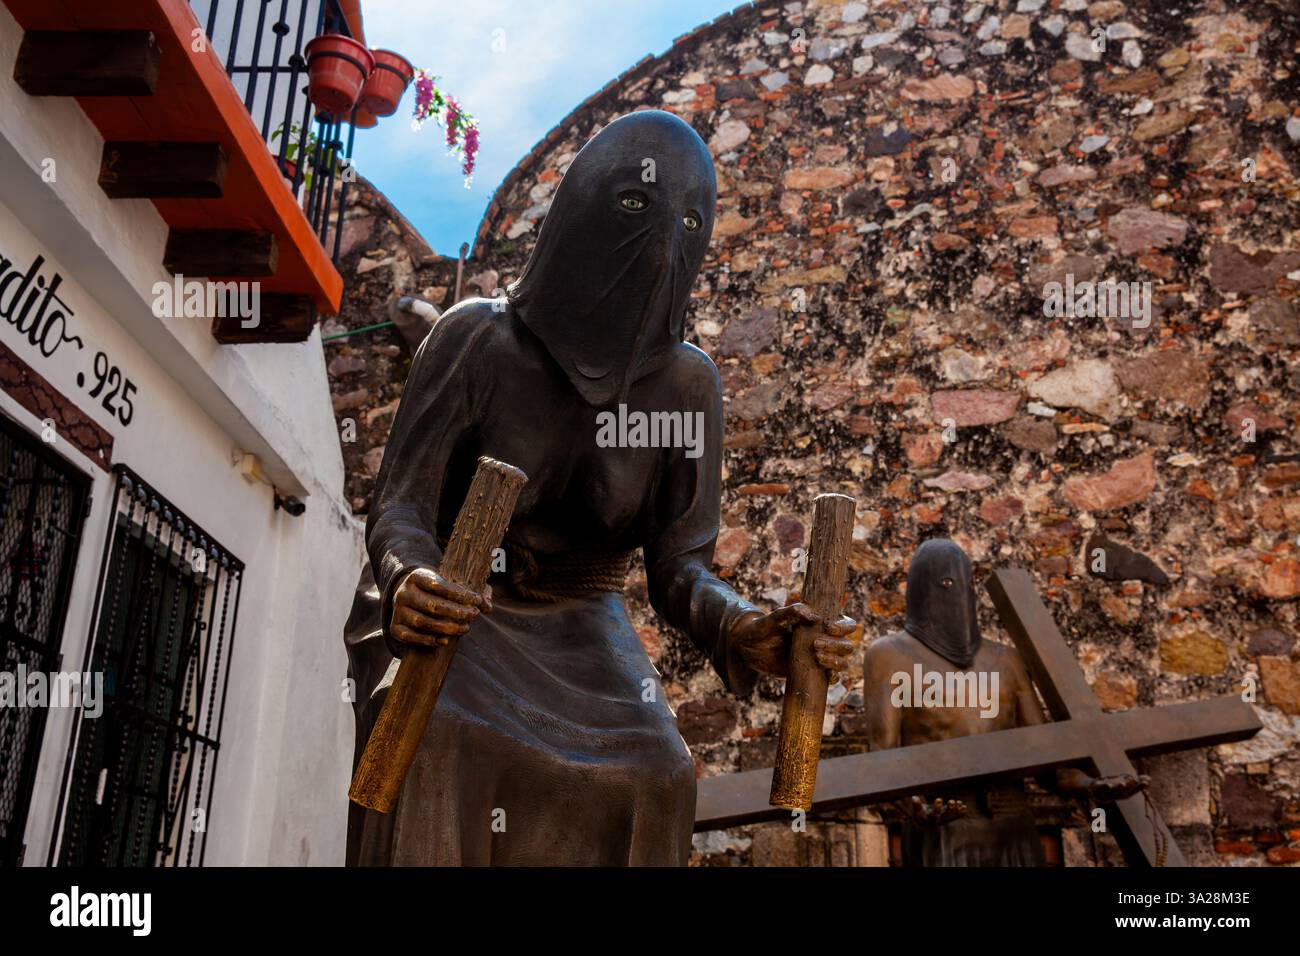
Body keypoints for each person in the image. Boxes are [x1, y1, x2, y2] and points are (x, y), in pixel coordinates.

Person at [344, 110, 855, 866]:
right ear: (581, 208)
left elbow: (681, 566)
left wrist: (745, 628)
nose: (661, 241)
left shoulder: (688, 385)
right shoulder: (477, 338)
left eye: (689, 220)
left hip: (583, 622)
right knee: (439, 732)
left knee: (660, 769)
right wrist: (410, 580)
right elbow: (403, 506)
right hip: (455, 606)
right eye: (632, 206)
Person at [863, 539, 1144, 866]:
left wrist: (1092, 784)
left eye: (966, 584)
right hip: (943, 827)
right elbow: (881, 759)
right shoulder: (889, 656)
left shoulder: (1006, 660)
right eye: (946, 584)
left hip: (1014, 823)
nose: (958, 594)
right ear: (922, 590)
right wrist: (911, 805)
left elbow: (1045, 760)